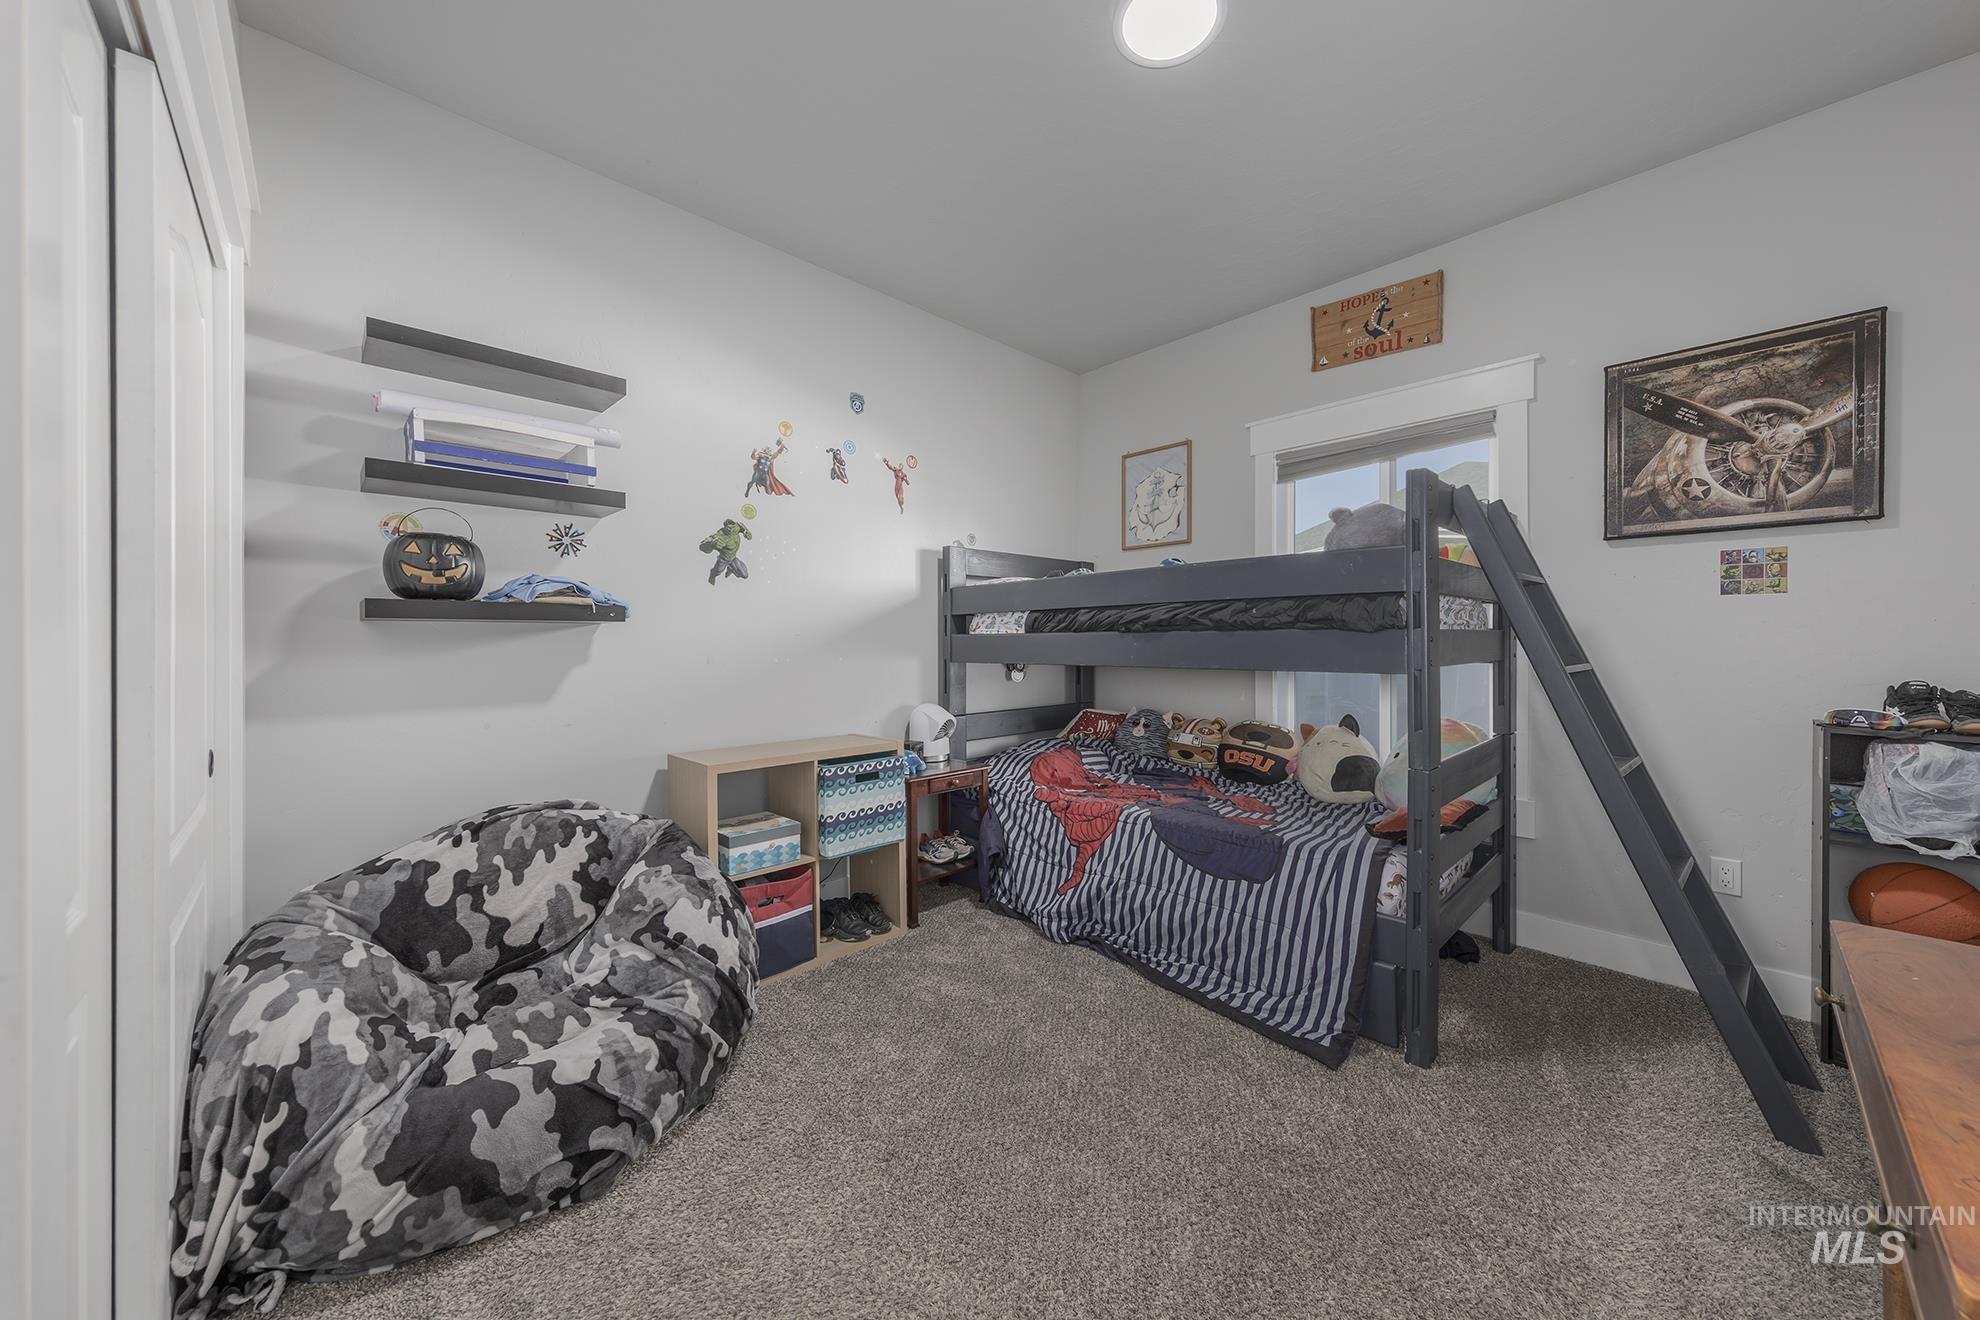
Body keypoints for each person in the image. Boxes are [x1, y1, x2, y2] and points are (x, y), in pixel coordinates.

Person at [698, 519, 752, 584]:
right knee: (717, 571)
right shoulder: (720, 535)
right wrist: (711, 544)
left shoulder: (736, 528)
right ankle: (712, 576)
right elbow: (702, 547)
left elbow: (741, 525)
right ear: (725, 527)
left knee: (744, 574)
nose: (731, 530)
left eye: (733, 527)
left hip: (733, 558)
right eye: (729, 528)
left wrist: (746, 532)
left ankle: (731, 569)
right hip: (723, 559)